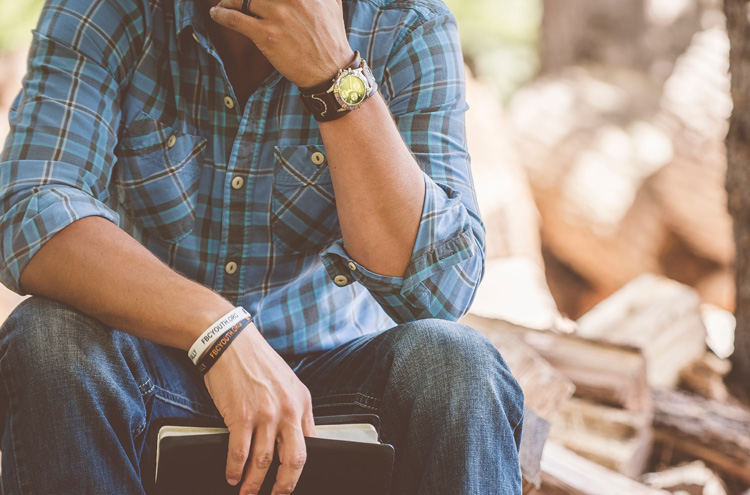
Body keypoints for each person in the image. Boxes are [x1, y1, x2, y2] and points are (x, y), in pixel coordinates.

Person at [0, 0, 524, 493]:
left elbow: (440, 290)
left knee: (459, 367)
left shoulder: (407, 23)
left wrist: (334, 77)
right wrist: (217, 331)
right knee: (48, 338)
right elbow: (29, 210)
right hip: (150, 374)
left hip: (333, 392)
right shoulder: (104, 11)